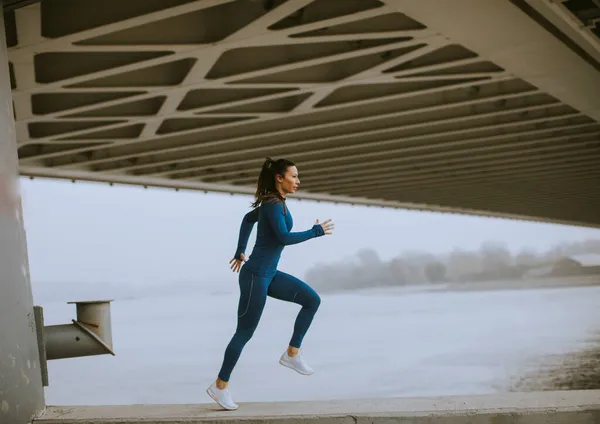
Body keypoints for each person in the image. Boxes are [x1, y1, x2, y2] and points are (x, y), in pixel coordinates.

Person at [206, 157, 334, 410]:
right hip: (255, 276)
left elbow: (247, 219)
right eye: (294, 176)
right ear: (279, 178)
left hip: (269, 273)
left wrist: (240, 250)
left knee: (311, 300)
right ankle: (220, 386)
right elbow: (283, 237)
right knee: (244, 332)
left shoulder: (275, 203)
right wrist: (315, 231)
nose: (298, 181)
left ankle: (292, 353)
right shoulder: (273, 204)